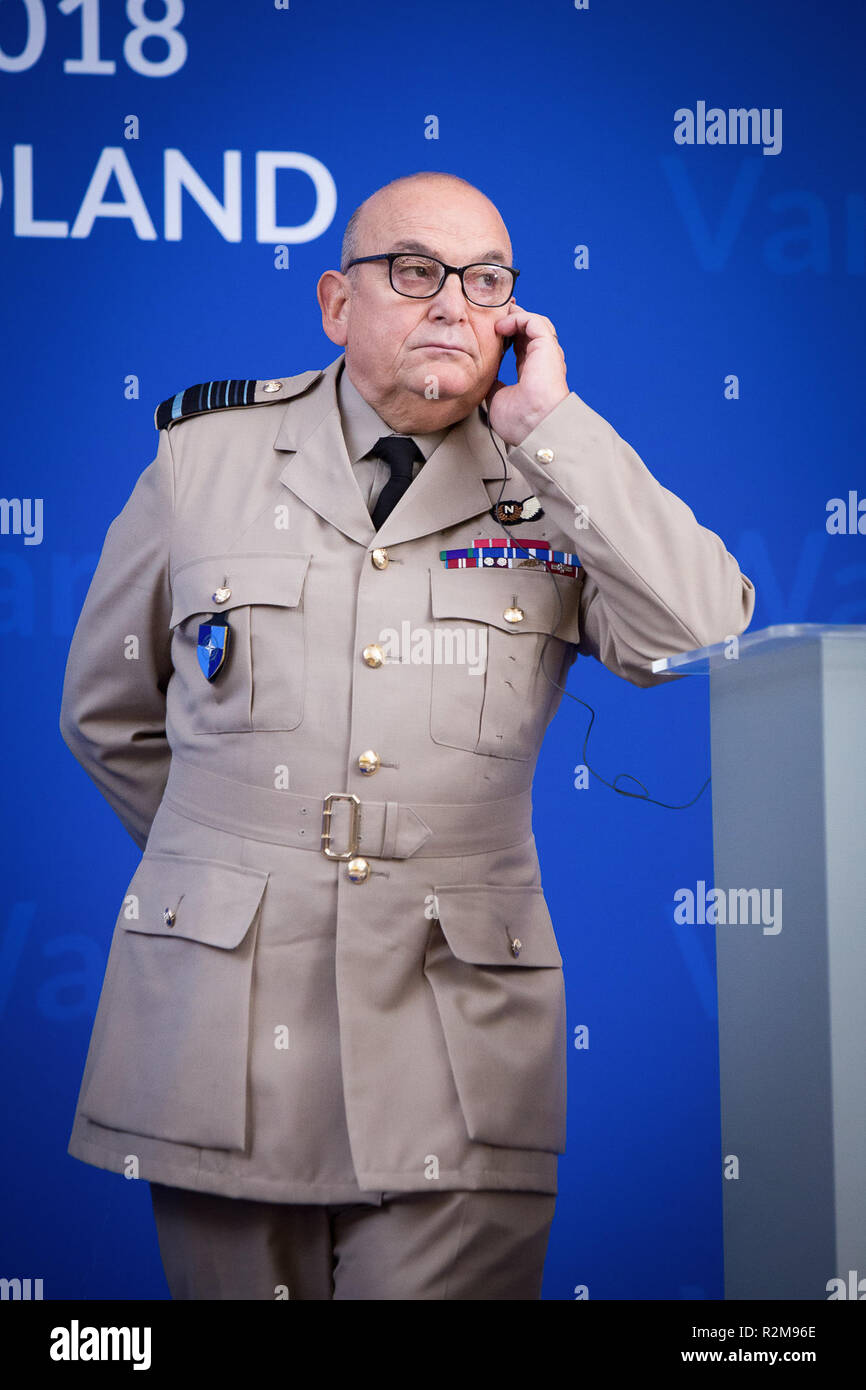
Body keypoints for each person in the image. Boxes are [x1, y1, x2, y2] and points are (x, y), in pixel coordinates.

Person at [59, 170, 755, 1301]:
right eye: (415, 272)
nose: (449, 305)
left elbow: (702, 632)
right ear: (337, 303)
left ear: (514, 317)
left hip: (459, 1038)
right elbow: (107, 711)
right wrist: (236, 865)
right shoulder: (203, 459)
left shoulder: (553, 485)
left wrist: (557, 434)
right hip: (223, 1036)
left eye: (484, 282)